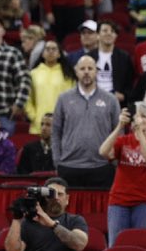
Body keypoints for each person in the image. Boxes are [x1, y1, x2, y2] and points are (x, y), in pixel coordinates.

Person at [100, 102, 146, 246]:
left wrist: (140, 135)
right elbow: (103, 152)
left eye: (144, 116)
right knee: (116, 247)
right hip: (119, 201)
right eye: (137, 116)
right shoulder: (124, 140)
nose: (139, 119)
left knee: (140, 247)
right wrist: (119, 127)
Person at [50, 55, 120, 188]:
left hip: (102, 167)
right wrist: (57, 160)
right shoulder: (63, 99)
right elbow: (55, 132)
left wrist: (114, 161)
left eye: (90, 68)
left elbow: (118, 132)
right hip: (69, 166)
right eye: (82, 68)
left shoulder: (110, 100)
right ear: (76, 72)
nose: (86, 72)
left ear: (96, 71)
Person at [25, 40, 75, 132]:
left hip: (62, 124)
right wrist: (34, 117)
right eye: (47, 49)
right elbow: (27, 99)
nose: (50, 51)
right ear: (42, 54)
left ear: (59, 54)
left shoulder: (68, 75)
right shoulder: (33, 74)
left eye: (54, 49)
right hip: (39, 124)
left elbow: (72, 99)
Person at [87, 20, 133, 104]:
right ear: (97, 35)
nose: (109, 33)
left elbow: (130, 82)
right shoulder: (89, 57)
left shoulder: (124, 57)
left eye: (112, 31)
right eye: (105, 30)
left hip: (116, 102)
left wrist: (124, 96)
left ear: (116, 36)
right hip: (92, 100)